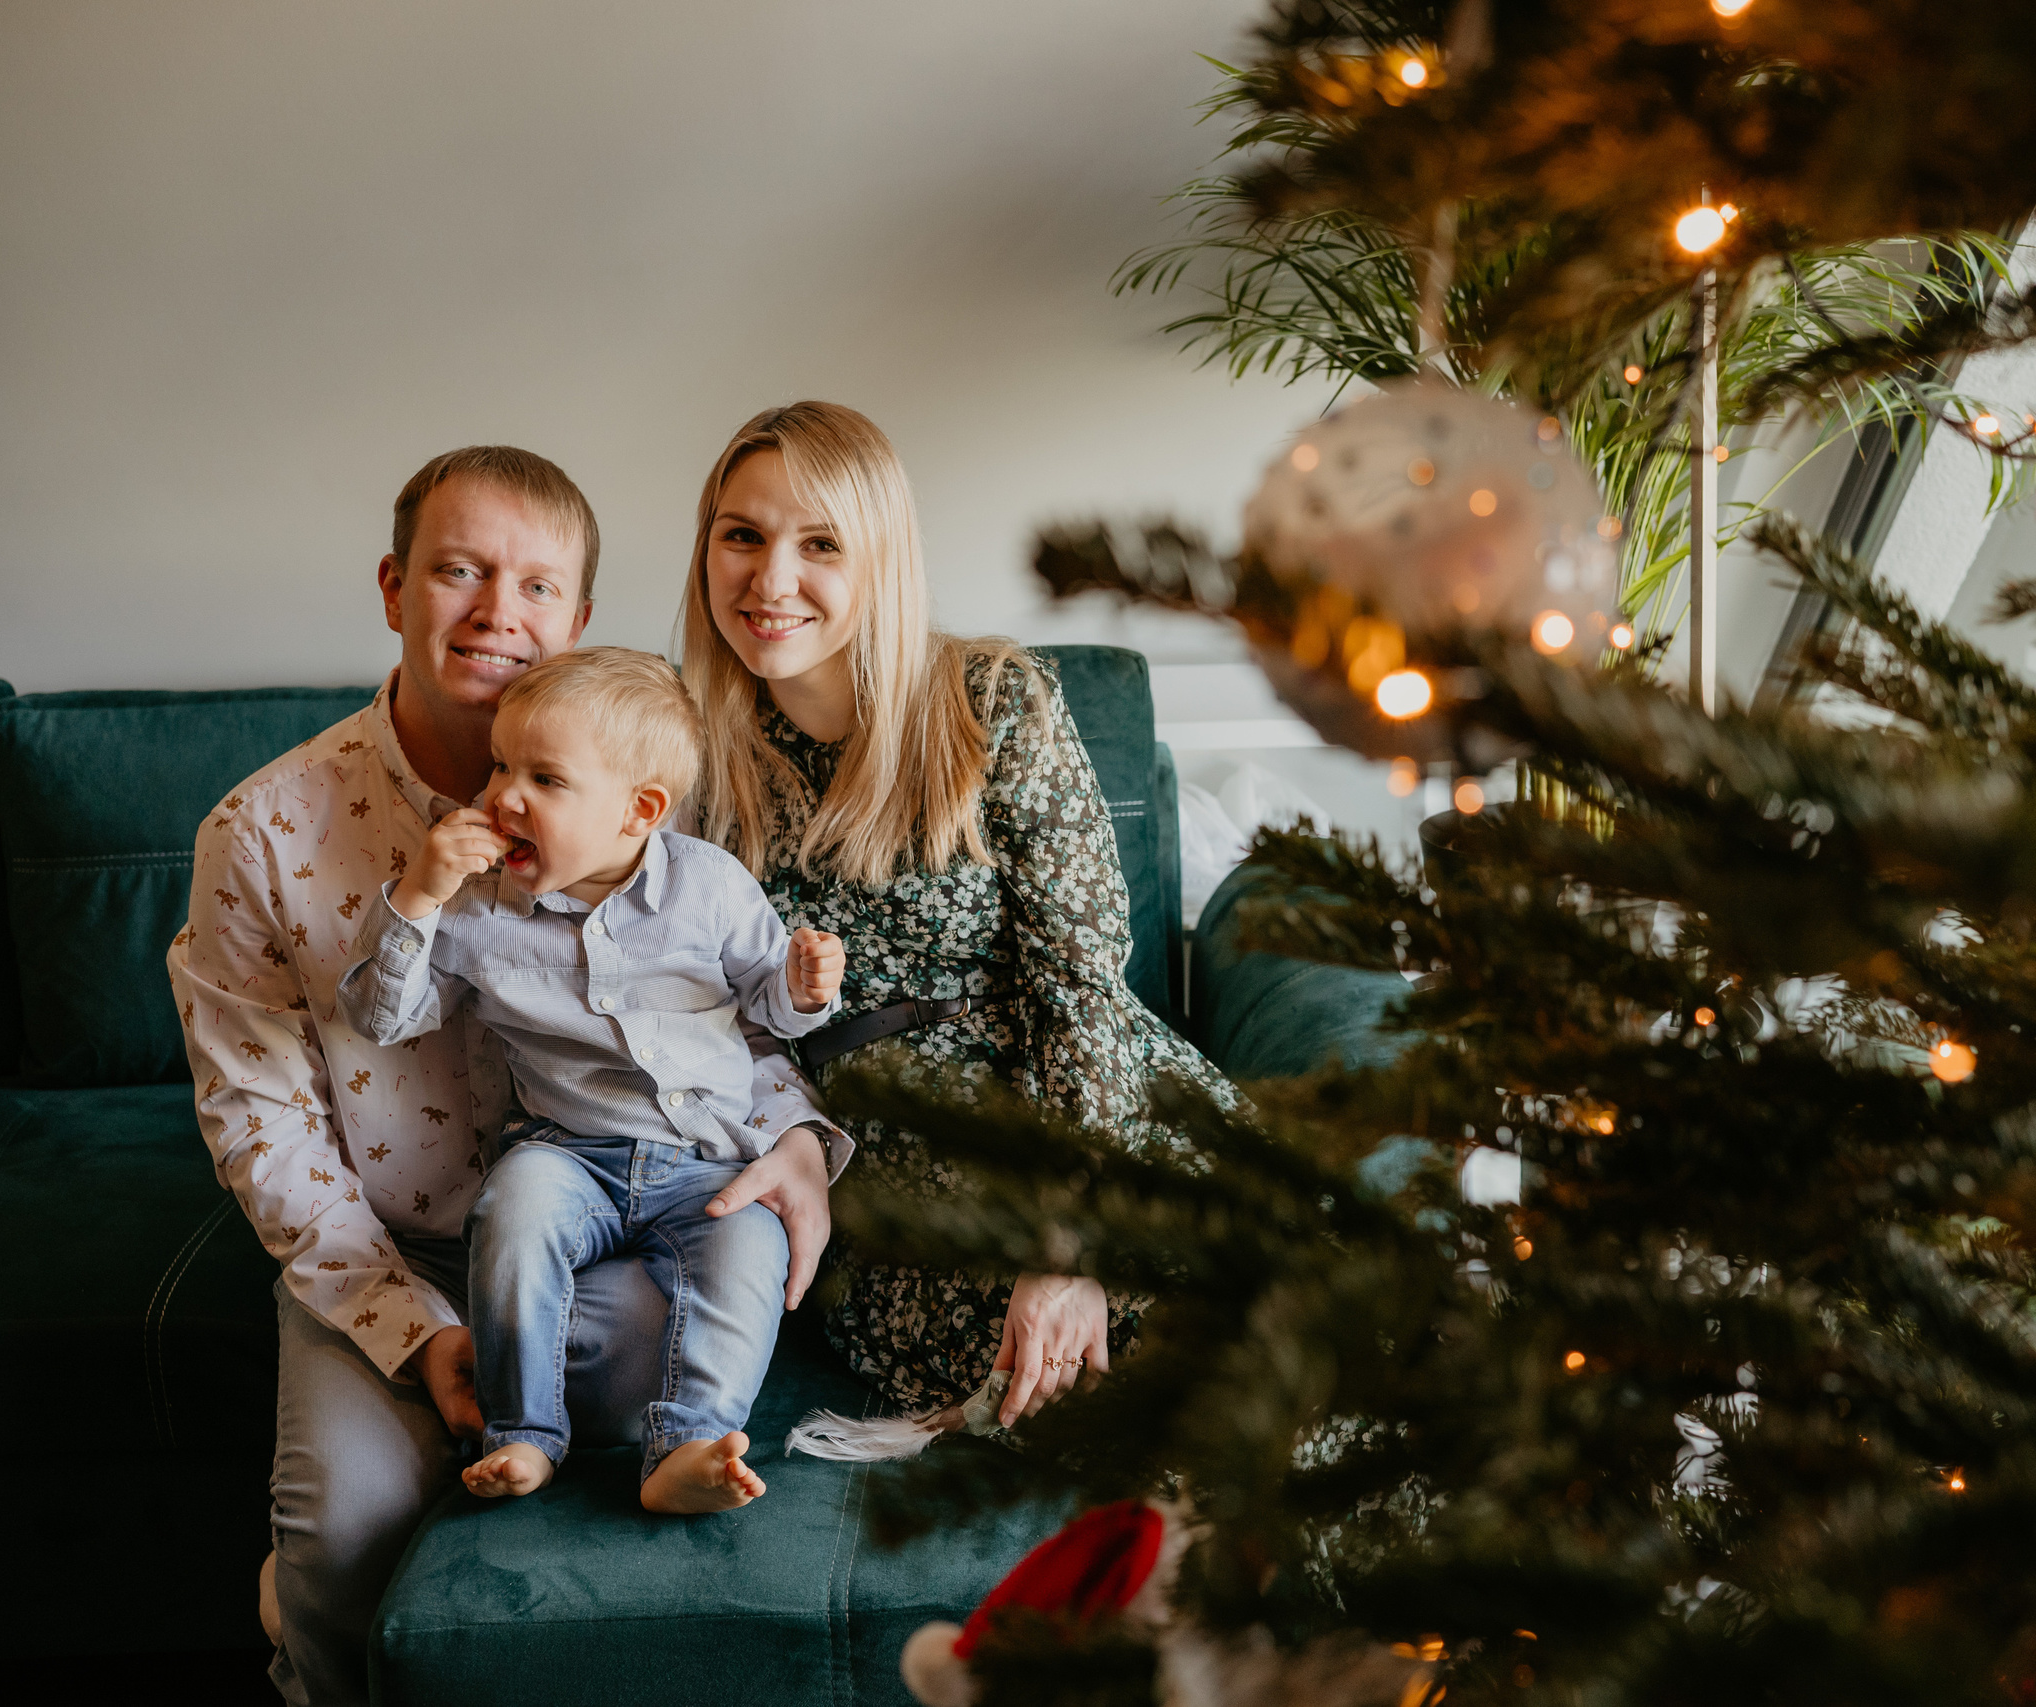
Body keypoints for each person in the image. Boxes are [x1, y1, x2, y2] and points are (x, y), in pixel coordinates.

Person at [168, 447, 843, 1705]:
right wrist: (414, 1333)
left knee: (688, 1369)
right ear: (394, 587)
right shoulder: (259, 835)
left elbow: (720, 1013)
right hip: (395, 1247)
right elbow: (260, 1122)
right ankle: (313, 1638)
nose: (496, 614)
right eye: (458, 572)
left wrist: (795, 1137)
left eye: (536, 586)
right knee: (341, 1534)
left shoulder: (644, 788)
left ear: (577, 619)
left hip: (612, 1237)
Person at [678, 401, 1237, 1433]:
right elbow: (679, 1014)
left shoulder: (990, 702)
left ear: (880, 559)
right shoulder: (681, 752)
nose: (770, 580)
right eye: (742, 535)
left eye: (821, 544)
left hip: (1085, 1097)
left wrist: (1070, 1246)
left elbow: (1078, 986)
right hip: (879, 1155)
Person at [338, 646, 848, 1512]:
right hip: (567, 1150)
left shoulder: (711, 887)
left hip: (709, 1162)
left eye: (544, 777)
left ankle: (687, 1445)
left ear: (638, 810)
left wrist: (804, 989)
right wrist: (418, 895)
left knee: (750, 1251)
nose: (502, 794)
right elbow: (382, 1016)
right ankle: (524, 1433)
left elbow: (769, 1009)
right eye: (500, 764)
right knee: (512, 1213)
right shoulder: (476, 906)